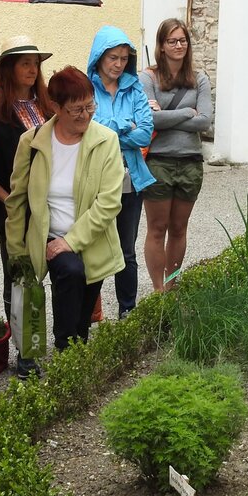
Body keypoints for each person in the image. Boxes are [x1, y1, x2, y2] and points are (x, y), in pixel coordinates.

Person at [5, 66, 124, 351]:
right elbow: (17, 199)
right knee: (69, 273)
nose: (85, 115)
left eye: (89, 106)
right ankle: (64, 351)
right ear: (56, 107)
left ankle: (71, 352)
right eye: (76, 109)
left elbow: (109, 202)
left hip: (91, 241)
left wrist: (71, 240)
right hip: (48, 237)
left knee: (81, 317)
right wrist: (16, 251)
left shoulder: (106, 141)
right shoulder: (32, 142)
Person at [0, 36, 54, 379]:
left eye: (36, 63)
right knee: (19, 277)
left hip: (50, 207)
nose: (32, 69)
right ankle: (25, 352)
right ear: (8, 68)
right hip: (12, 211)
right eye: (24, 63)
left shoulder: (47, 108)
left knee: (55, 270)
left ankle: (61, 341)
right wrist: (8, 199)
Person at [138, 19, 212, 291]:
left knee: (179, 228)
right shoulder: (148, 78)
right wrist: (185, 114)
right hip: (159, 161)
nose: (179, 45)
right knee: (157, 228)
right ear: (162, 45)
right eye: (172, 41)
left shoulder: (200, 78)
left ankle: (172, 284)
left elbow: (205, 122)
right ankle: (159, 291)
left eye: (183, 40)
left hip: (191, 162)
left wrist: (165, 116)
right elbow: (148, 120)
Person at [87, 25, 155, 319]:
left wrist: (110, 131)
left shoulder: (135, 87)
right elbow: (87, 131)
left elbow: (146, 133)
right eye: (113, 57)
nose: (118, 64)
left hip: (131, 179)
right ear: (99, 57)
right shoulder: (86, 88)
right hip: (96, 179)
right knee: (95, 246)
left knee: (126, 249)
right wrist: (126, 127)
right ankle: (88, 315)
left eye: (124, 58)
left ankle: (128, 311)